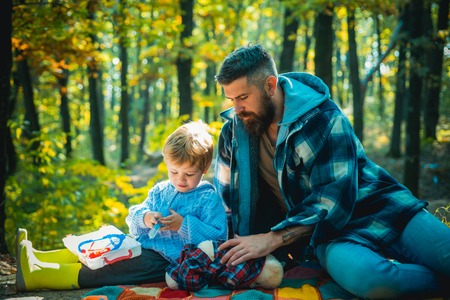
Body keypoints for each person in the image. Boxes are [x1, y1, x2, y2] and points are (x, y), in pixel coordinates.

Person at [213, 44, 450, 299]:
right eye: (231, 99)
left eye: (243, 98)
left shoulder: (323, 118)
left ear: (270, 86)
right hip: (328, 234)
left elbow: (333, 199)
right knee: (375, 282)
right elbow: (227, 204)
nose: (236, 109)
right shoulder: (233, 135)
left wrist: (271, 239)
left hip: (381, 206)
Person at [16, 120, 228, 292]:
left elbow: (218, 239)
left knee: (109, 269)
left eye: (189, 174)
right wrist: (145, 217)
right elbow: (133, 217)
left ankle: (38, 275)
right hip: (138, 245)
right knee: (100, 248)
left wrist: (183, 224)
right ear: (166, 164)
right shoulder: (161, 190)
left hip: (165, 261)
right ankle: (38, 256)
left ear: (205, 167)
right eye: (173, 172)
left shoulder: (207, 199)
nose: (180, 179)